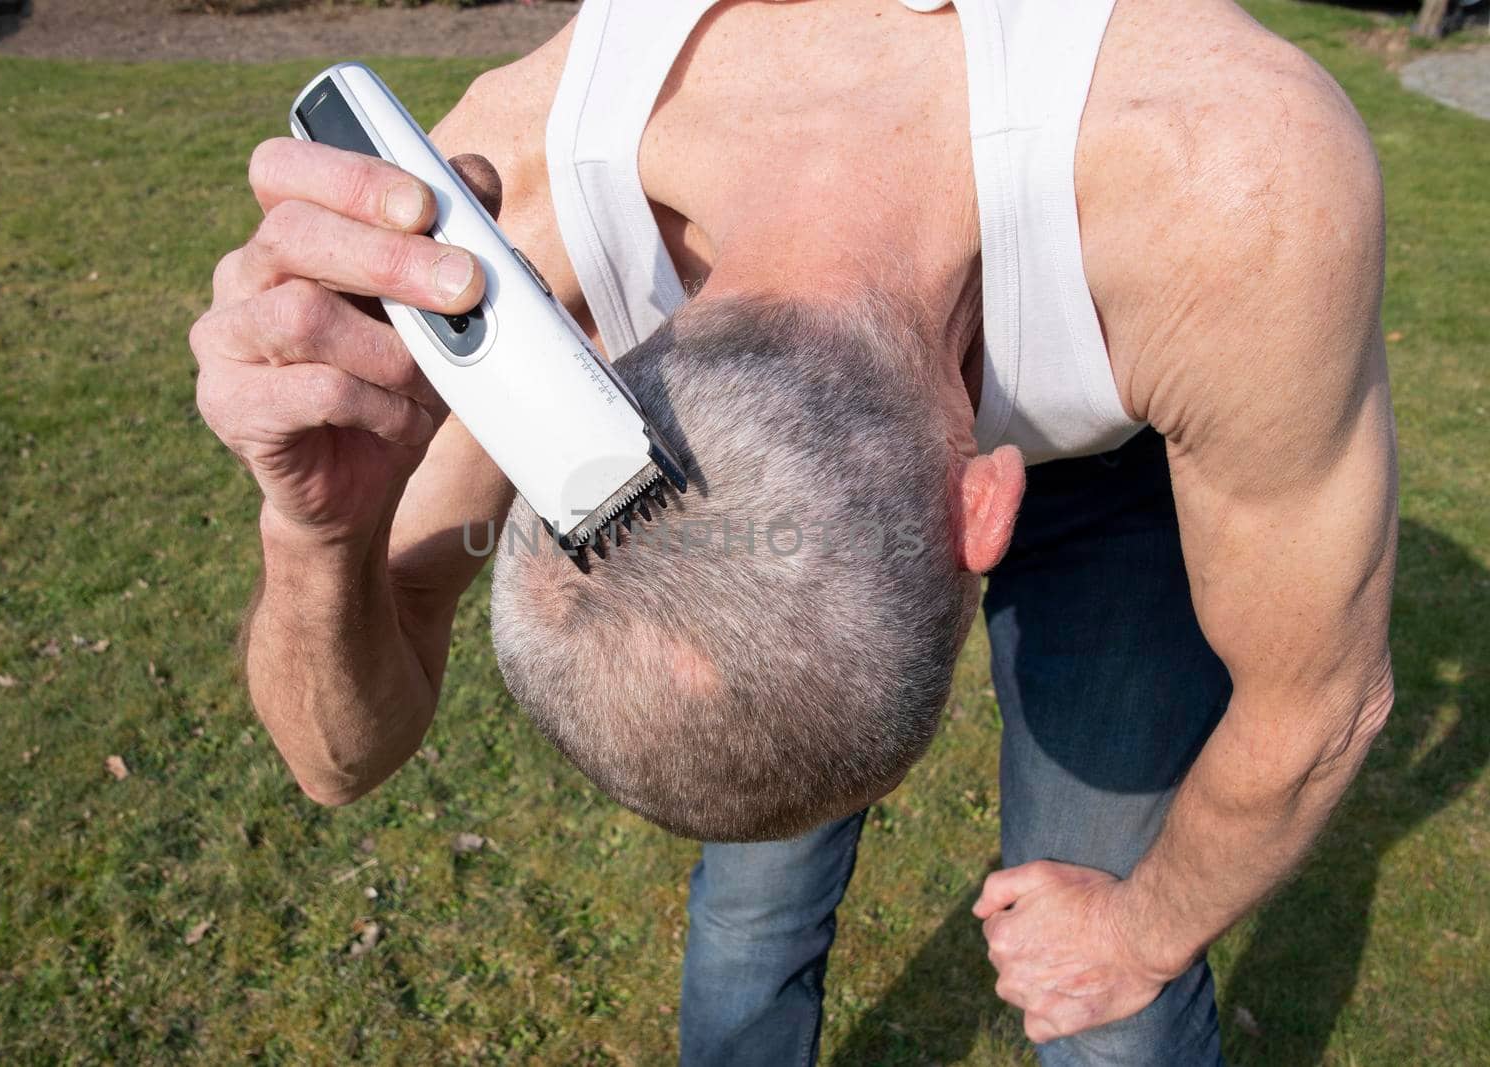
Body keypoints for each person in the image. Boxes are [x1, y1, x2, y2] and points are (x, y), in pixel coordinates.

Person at [187, 0, 1397, 1063]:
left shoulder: (1224, 183)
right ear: (583, 400)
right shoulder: (527, 205)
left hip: (1136, 443)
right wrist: (316, 534)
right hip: (921, 444)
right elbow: (333, 761)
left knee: (1105, 992)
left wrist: (1136, 934)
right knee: (755, 892)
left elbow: (1316, 707)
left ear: (986, 505)